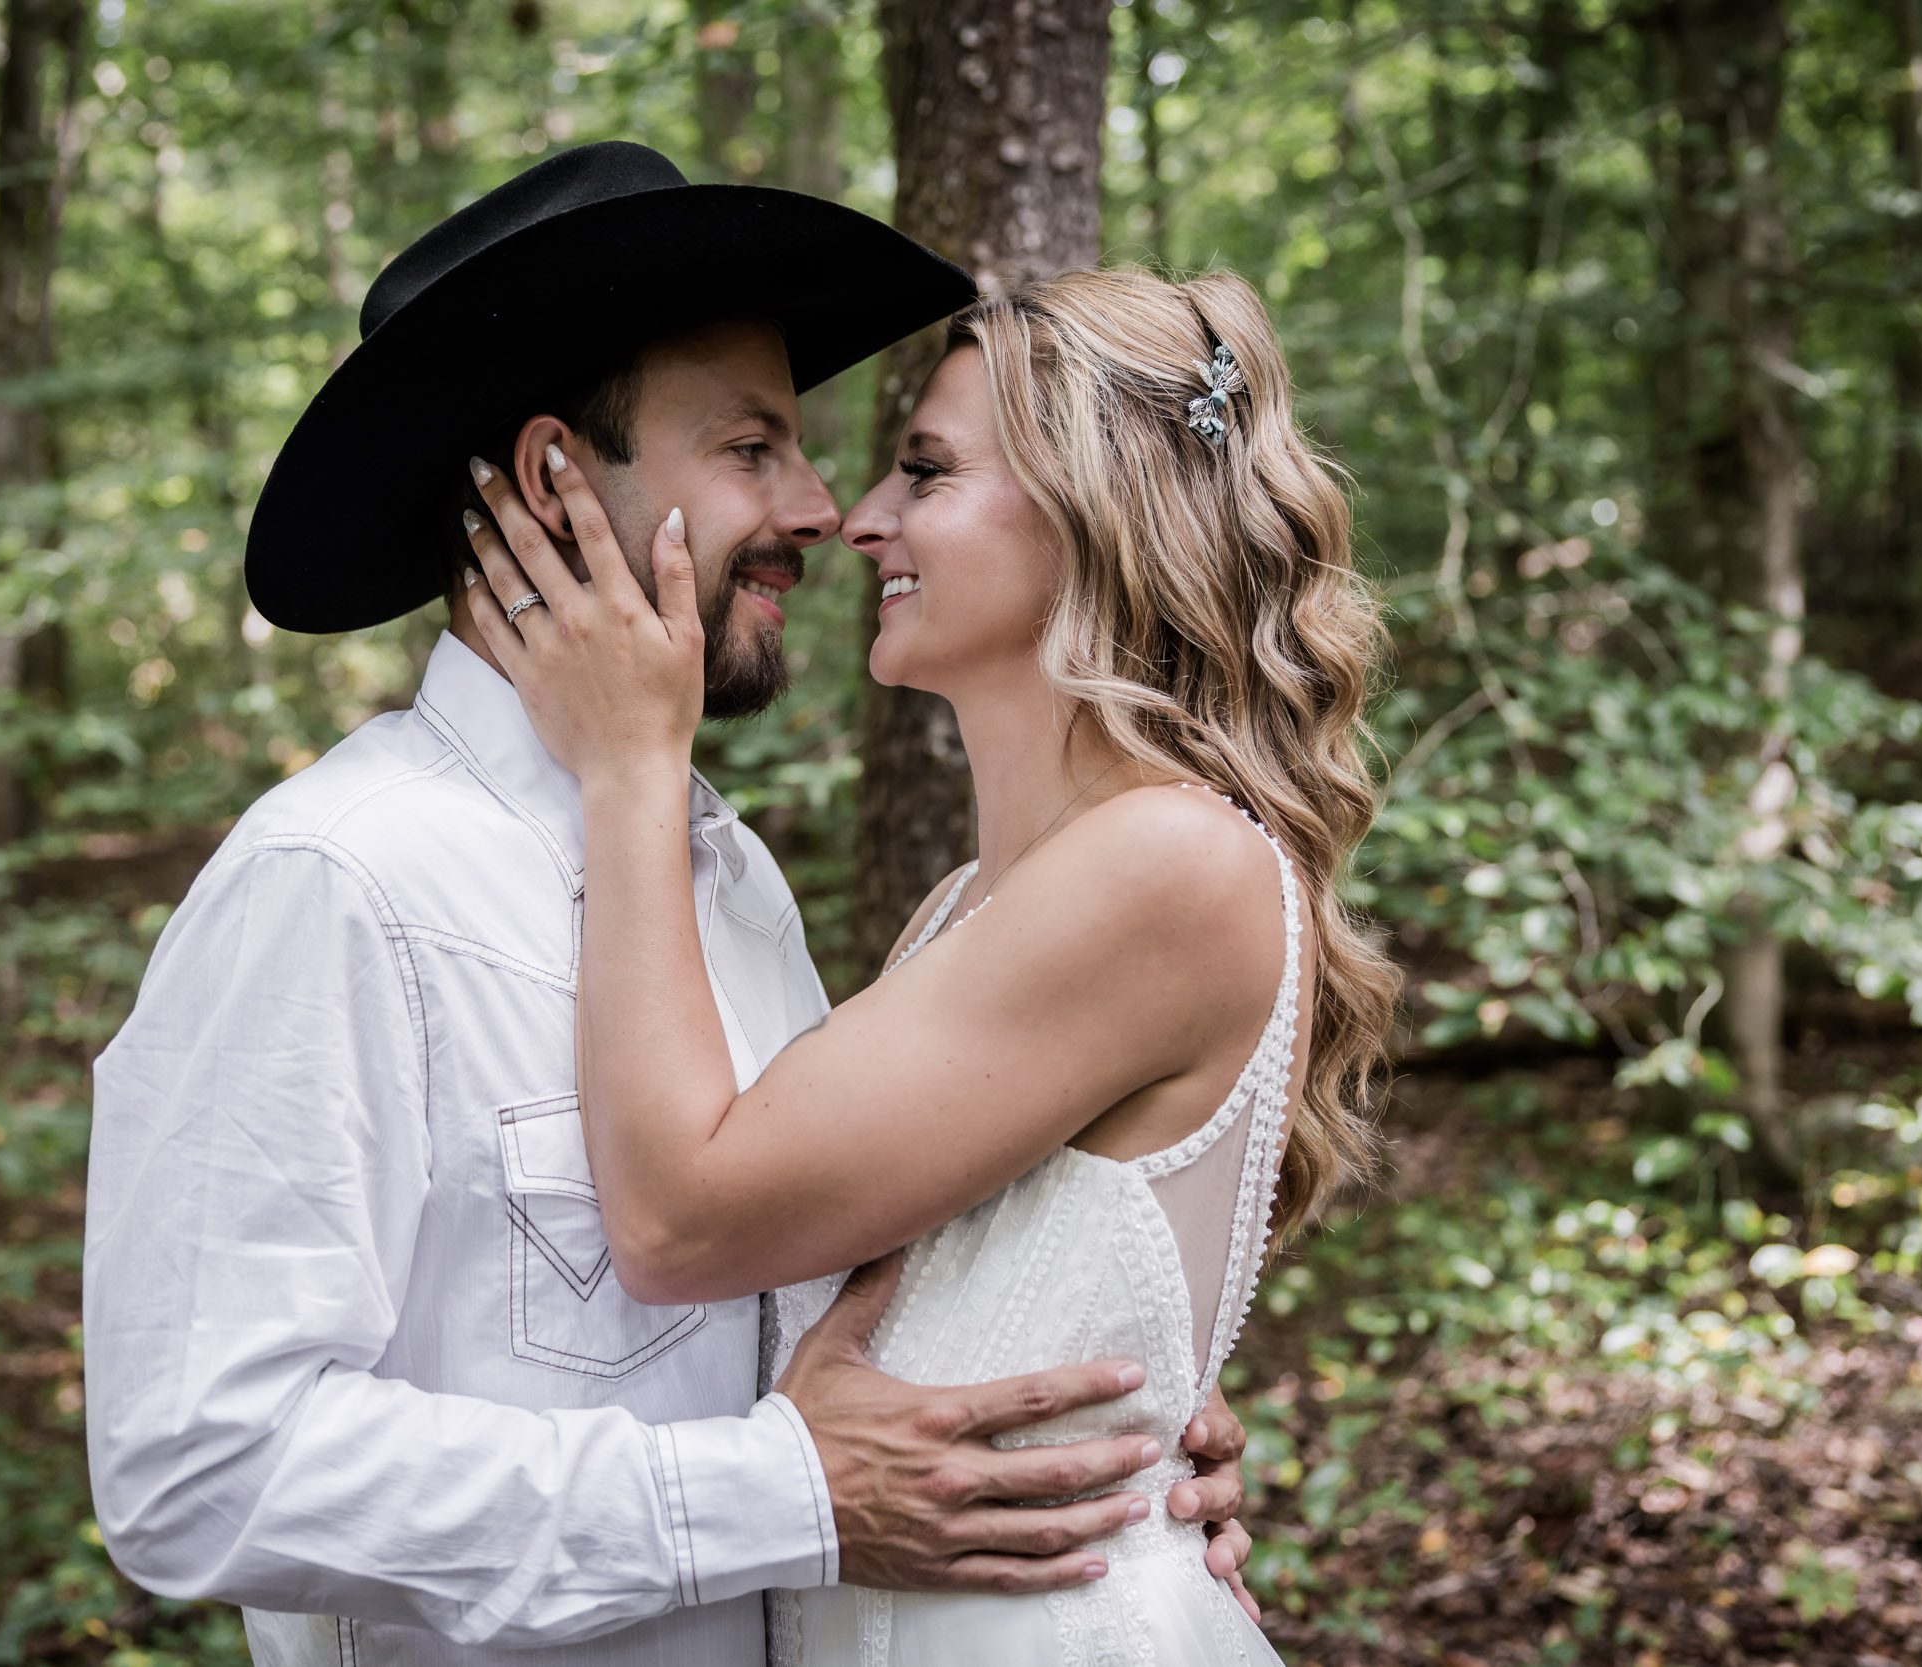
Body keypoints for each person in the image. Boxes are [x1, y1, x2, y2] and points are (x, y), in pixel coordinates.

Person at [80, 142, 1256, 1667]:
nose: (824, 509)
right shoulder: (337, 881)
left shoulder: (729, 880)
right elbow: (197, 1469)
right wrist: (776, 1496)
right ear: (558, 479)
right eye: (756, 449)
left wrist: (1107, 1425)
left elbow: (842, 1293)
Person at [460, 262, 1399, 1663]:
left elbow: (681, 1220)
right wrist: (1150, 1450)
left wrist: (631, 764)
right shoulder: (968, 906)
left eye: (926, 470)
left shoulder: (1173, 864)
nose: (861, 518)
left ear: (1093, 517)